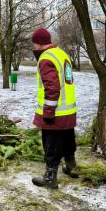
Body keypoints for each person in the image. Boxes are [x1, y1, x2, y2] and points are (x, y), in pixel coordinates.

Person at [31, 28, 78, 189]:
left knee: (51, 144)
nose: (34, 47)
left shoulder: (46, 59)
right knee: (67, 138)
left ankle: (50, 178)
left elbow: (52, 88)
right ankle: (72, 166)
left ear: (39, 43)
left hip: (56, 112)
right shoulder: (61, 54)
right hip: (68, 110)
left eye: (34, 44)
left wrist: (48, 112)